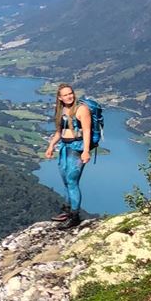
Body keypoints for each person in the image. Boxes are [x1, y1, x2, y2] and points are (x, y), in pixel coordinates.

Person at [44, 84, 93, 229]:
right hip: (64, 147)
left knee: (72, 181)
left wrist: (86, 151)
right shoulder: (61, 110)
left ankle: (75, 216)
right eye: (65, 95)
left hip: (77, 148)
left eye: (70, 93)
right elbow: (60, 132)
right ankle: (67, 210)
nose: (69, 96)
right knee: (66, 180)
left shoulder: (81, 109)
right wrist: (51, 145)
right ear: (60, 98)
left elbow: (87, 131)